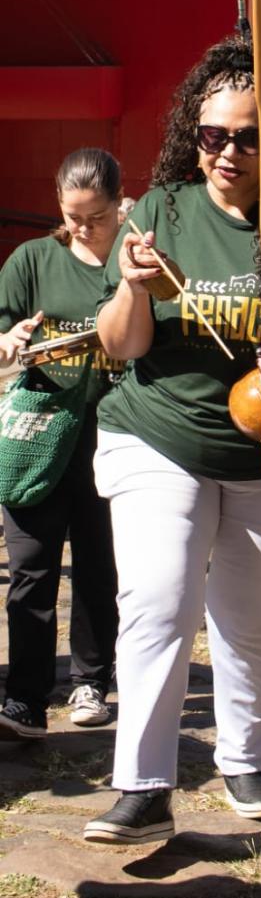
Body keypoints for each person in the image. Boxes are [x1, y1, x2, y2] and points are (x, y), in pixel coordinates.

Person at [85, 37, 261, 845]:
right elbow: (121, 345)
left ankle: (245, 759)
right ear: (193, 134)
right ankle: (142, 784)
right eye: (214, 134)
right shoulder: (159, 212)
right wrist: (134, 288)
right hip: (160, 436)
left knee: (251, 619)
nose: (229, 151)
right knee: (157, 600)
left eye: (249, 135)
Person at [0, 149, 127, 737]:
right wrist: (10, 341)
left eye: (95, 216)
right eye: (72, 216)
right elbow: (2, 334)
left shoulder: (132, 263)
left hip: (115, 437)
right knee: (30, 570)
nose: (81, 227)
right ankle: (25, 696)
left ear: (119, 205)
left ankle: (90, 681)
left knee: (101, 569)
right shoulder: (32, 260)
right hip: (39, 437)